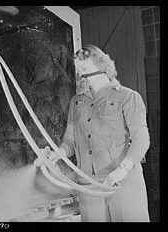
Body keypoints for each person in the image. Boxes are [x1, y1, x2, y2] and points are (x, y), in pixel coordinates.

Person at [56, 44, 150, 222]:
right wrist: (58, 153)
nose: (80, 75)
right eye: (78, 69)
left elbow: (141, 137)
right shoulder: (77, 103)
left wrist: (123, 169)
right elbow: (70, 140)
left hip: (122, 181)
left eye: (85, 68)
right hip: (88, 184)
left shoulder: (128, 97)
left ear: (101, 66)